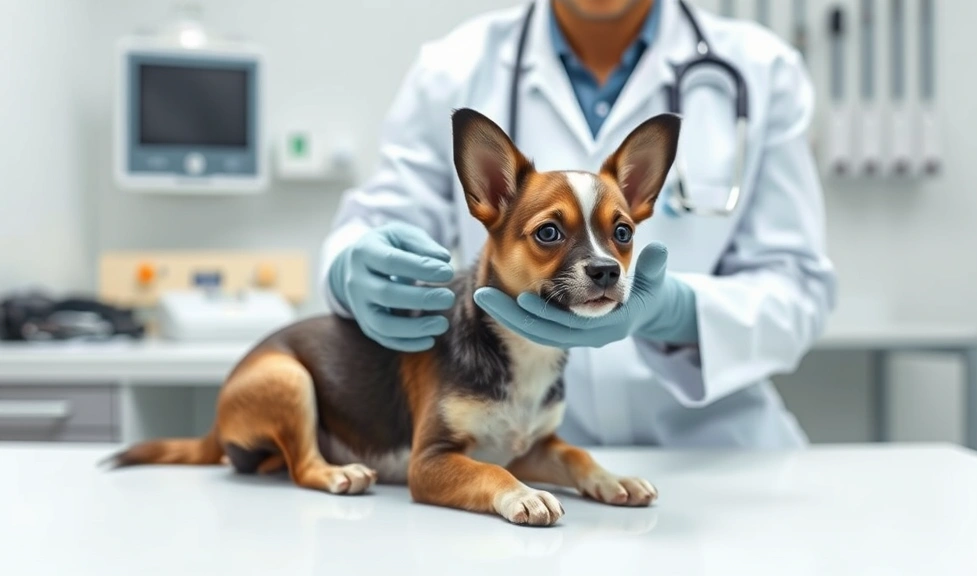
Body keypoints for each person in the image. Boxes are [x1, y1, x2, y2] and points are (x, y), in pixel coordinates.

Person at [319, 0, 837, 448]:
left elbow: (799, 289)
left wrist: (675, 313)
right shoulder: (453, 68)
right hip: (528, 457)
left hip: (716, 456)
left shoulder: (763, 70)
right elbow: (381, 221)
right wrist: (352, 265)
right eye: (548, 232)